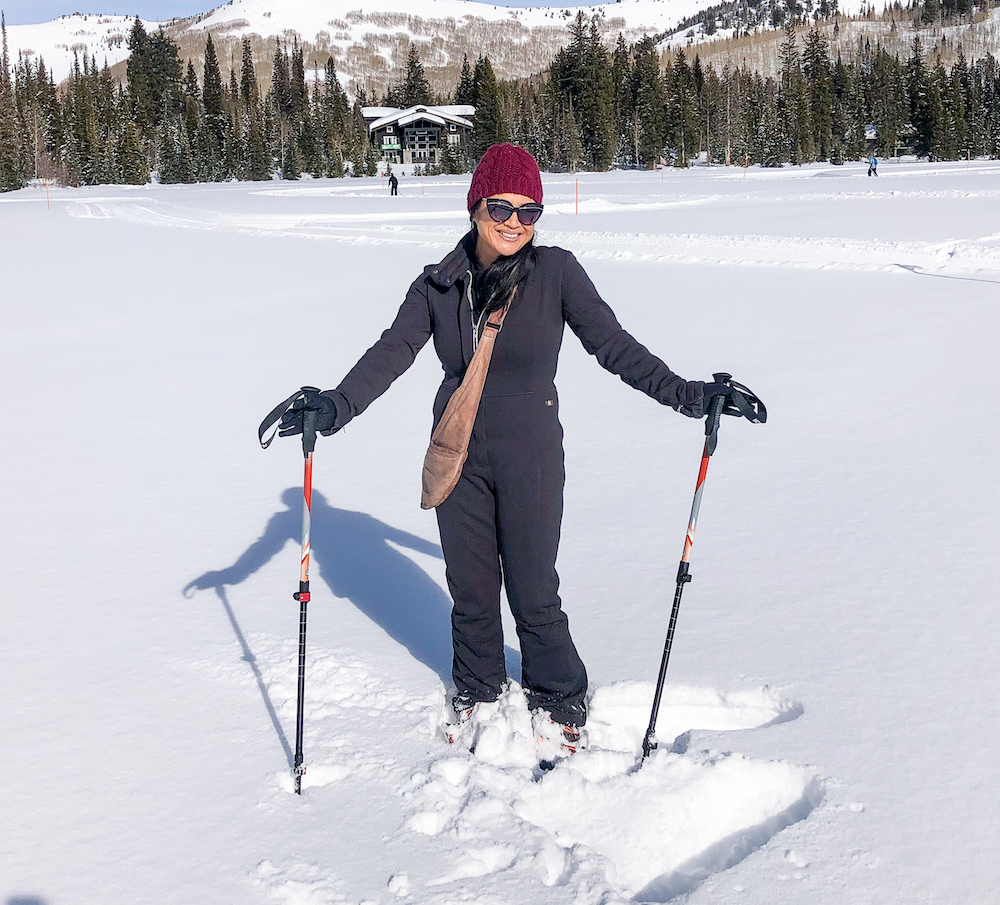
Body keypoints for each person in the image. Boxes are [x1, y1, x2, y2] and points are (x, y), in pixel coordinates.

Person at [271, 143, 756, 762]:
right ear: (476, 205)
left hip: (530, 455)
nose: (514, 223)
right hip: (460, 455)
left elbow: (615, 346)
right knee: (471, 591)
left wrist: (688, 396)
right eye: (501, 206)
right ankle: (476, 688)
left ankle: (558, 693)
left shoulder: (556, 273)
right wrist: (335, 407)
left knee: (532, 589)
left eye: (530, 213)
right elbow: (392, 351)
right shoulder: (439, 285)